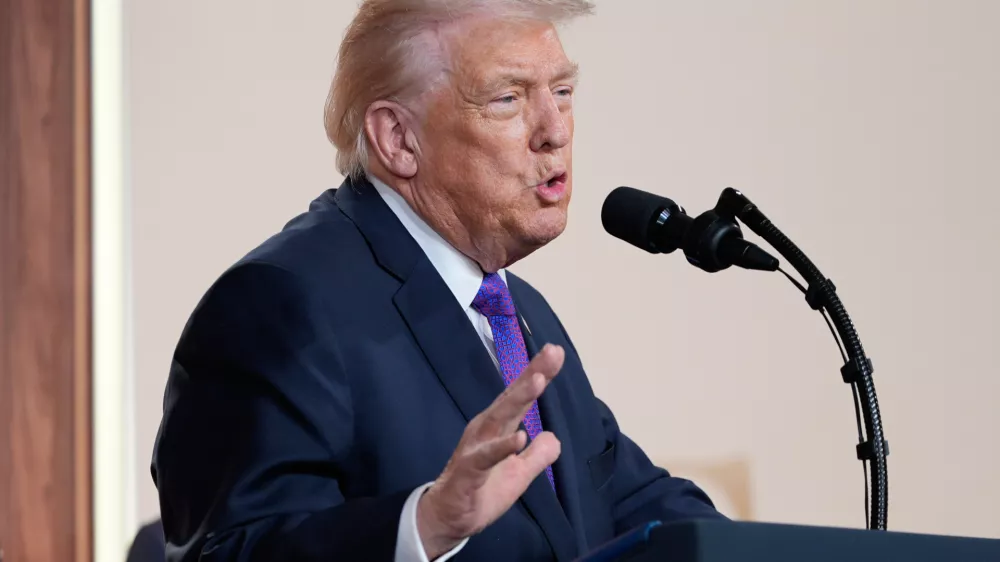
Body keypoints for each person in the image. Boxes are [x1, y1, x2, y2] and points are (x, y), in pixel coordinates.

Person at [151, 1, 725, 560]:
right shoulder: (276, 305)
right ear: (398, 139)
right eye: (508, 99)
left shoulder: (514, 310)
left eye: (563, 92)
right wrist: (421, 528)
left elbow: (630, 502)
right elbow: (231, 549)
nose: (554, 131)